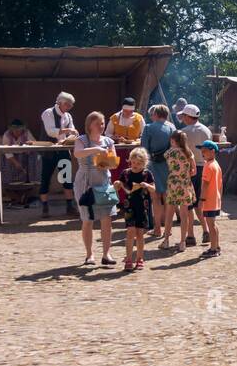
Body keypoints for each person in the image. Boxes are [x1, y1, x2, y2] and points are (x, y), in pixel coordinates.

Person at [72, 111, 119, 266]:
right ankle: (89, 254)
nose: (101, 126)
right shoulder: (82, 140)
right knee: (88, 219)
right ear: (90, 124)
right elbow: (77, 153)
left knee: (107, 219)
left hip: (104, 183)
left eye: (103, 123)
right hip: (85, 183)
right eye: (98, 123)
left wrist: (108, 160)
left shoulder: (108, 141)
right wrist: (96, 150)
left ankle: (106, 254)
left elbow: (114, 163)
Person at [177, 103, 212, 246]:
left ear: (187, 116)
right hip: (204, 168)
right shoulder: (206, 130)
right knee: (200, 203)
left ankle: (190, 235)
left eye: (183, 116)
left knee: (188, 204)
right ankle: (206, 230)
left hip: (189, 170)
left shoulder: (183, 132)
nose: (182, 118)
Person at [40, 92, 78, 218]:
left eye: (70, 105)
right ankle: (44, 207)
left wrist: (71, 136)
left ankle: (69, 206)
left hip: (62, 150)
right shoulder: (48, 113)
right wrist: (68, 131)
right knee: (45, 177)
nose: (69, 107)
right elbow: (51, 132)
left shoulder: (68, 116)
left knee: (66, 178)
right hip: (49, 150)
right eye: (68, 105)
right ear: (61, 102)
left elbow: (72, 131)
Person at [141, 104, 176, 240]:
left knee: (155, 198)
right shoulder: (172, 128)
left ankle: (157, 229)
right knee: (168, 198)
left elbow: (143, 149)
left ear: (156, 114)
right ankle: (168, 228)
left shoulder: (149, 128)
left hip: (153, 165)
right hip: (168, 165)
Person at [115, 146, 153, 270]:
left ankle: (140, 258)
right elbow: (117, 187)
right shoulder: (126, 173)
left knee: (140, 234)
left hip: (142, 207)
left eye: (139, 163)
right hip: (129, 207)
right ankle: (129, 258)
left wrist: (147, 185)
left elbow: (154, 189)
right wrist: (117, 184)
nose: (135, 165)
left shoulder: (147, 174)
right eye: (133, 162)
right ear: (130, 160)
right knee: (130, 232)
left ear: (144, 163)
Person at [162, 130, 197, 252]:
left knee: (169, 214)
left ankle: (166, 240)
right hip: (185, 184)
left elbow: (167, 164)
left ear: (173, 140)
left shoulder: (169, 153)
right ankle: (182, 242)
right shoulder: (189, 153)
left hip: (172, 184)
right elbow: (194, 171)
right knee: (184, 215)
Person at [0, 118, 40, 208]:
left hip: (25, 155)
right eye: (15, 130)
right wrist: (16, 163)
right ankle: (16, 198)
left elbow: (34, 144)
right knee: (9, 179)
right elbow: (7, 152)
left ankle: (27, 197)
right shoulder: (6, 135)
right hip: (11, 158)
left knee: (29, 175)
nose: (17, 132)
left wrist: (29, 144)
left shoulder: (26, 133)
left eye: (19, 130)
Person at [105, 96, 145, 181]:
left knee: (133, 173)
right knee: (116, 174)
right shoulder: (115, 118)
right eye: (126, 111)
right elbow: (107, 134)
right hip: (117, 150)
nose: (128, 113)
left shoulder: (139, 118)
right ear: (123, 109)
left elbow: (144, 134)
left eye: (131, 111)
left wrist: (138, 140)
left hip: (134, 151)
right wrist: (114, 138)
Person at [199, 140, 224, 258]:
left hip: (209, 199)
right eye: (202, 151)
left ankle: (213, 249)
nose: (202, 153)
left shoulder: (208, 166)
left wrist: (202, 198)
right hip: (216, 198)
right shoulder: (216, 164)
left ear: (212, 151)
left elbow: (205, 184)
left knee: (211, 224)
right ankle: (216, 246)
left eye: (205, 151)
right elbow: (221, 184)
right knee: (213, 224)